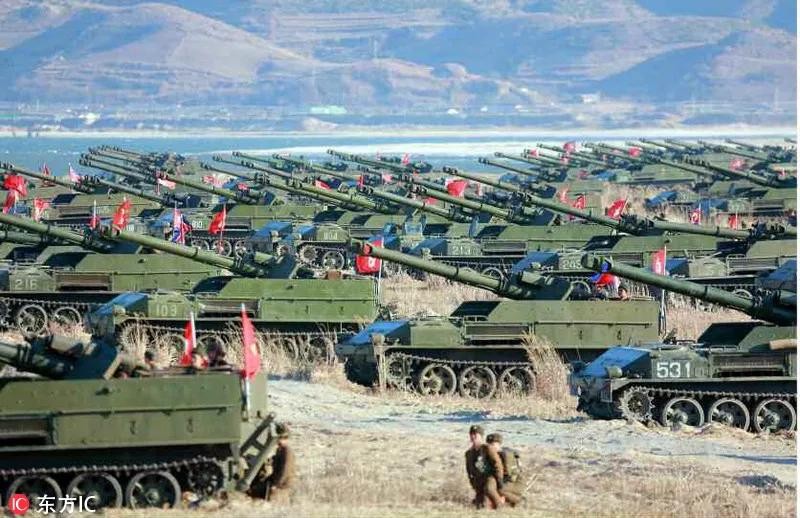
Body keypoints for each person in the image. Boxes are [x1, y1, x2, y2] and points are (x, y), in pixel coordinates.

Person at [465, 426, 505, 509]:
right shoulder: (469, 453)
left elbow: (497, 464)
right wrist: (472, 482)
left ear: (481, 436)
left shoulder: (487, 448)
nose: (473, 437)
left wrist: (499, 480)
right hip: (479, 480)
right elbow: (469, 469)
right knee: (481, 505)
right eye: (472, 434)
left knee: (489, 489)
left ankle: (500, 507)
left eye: (476, 434)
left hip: (490, 477)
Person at [487, 434, 523, 507]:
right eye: (489, 445)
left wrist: (498, 484)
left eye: (493, 445)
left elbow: (511, 476)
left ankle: (519, 500)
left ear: (499, 444)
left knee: (500, 490)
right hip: (504, 481)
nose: (491, 447)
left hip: (515, 482)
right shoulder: (491, 455)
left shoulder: (505, 456)